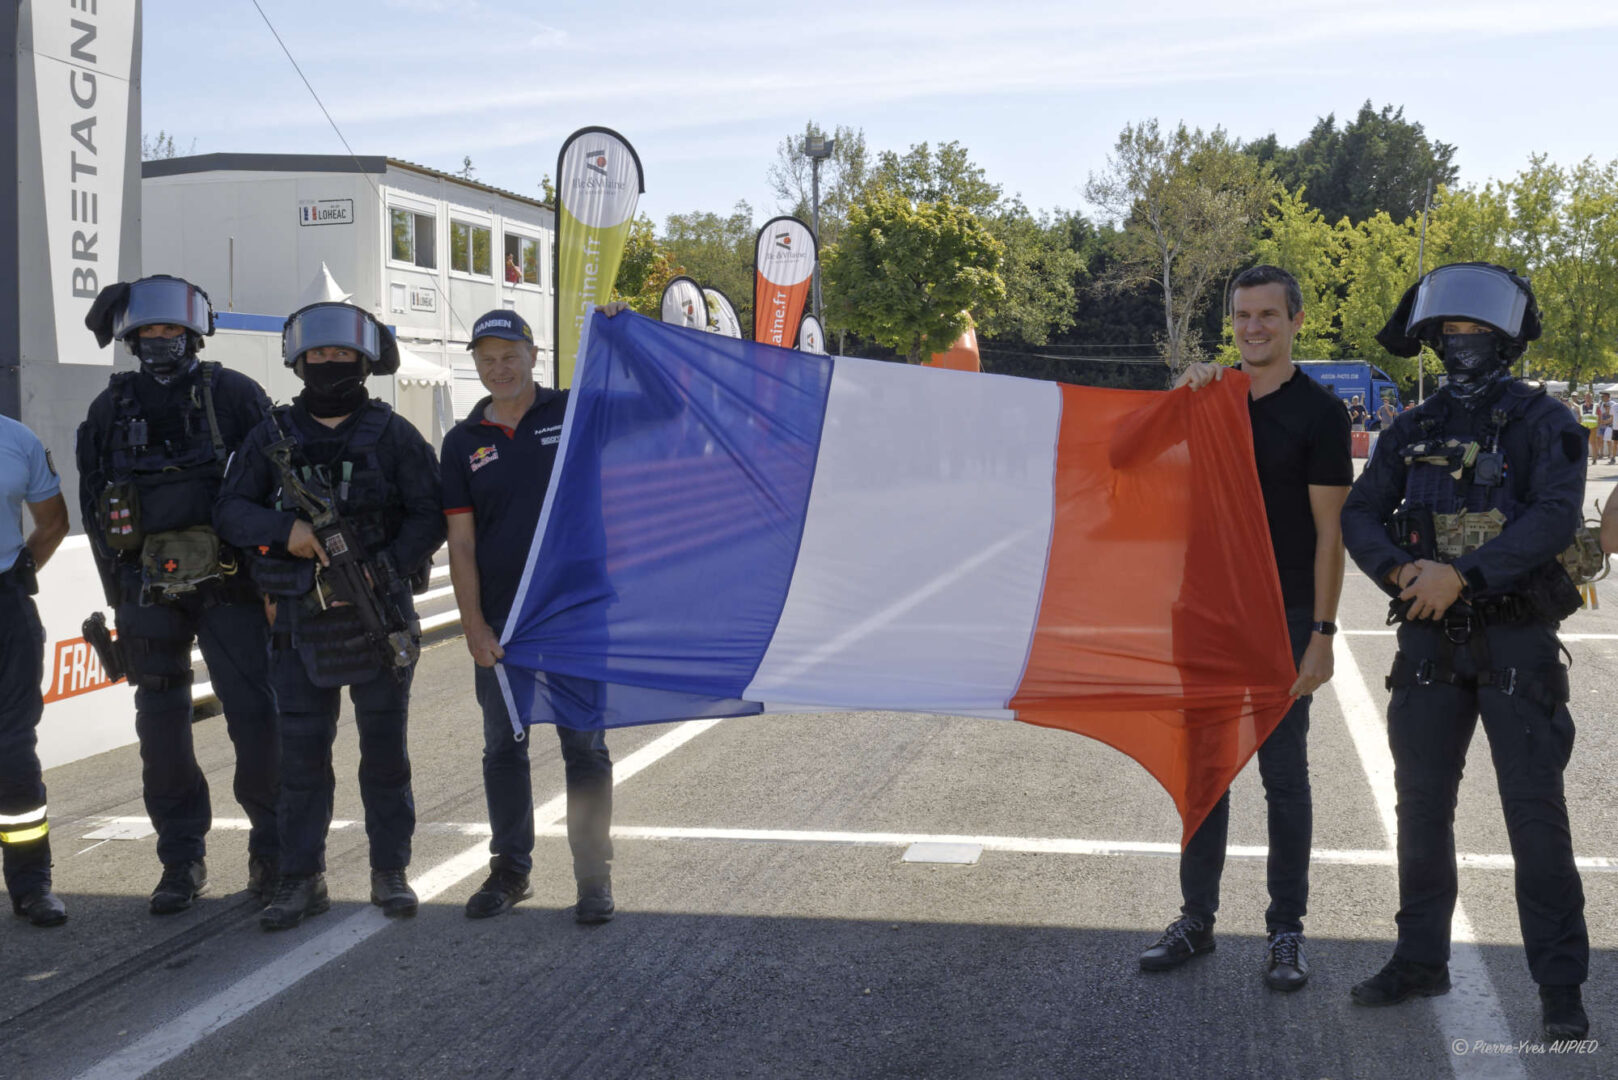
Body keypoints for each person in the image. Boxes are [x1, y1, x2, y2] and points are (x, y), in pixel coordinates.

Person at [1340, 262, 1590, 1042]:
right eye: (1451, 330)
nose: (1463, 342)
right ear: (1433, 338)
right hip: (1425, 638)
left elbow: (1553, 520)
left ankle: (1558, 986)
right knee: (1420, 808)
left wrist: (1465, 575)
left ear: (1508, 339)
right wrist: (1401, 569)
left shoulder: (1544, 423)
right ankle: (1420, 959)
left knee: (1534, 815)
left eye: (1478, 330)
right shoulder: (1411, 428)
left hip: (1516, 635)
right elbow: (1360, 514)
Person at [1137, 265, 1351, 991]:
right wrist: (1177, 398)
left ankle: (1285, 931)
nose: (1252, 327)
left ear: (1294, 321)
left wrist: (1323, 632)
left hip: (1284, 615)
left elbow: (1331, 533)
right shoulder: (1209, 397)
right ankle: (1196, 921)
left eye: (1266, 314)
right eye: (1241, 316)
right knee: (1205, 772)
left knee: (1284, 777)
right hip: (1204, 609)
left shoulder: (1321, 413)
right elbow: (1121, 456)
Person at [215, 302, 445, 931]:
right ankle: (300, 878)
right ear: (298, 361)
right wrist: (283, 529)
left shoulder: (394, 435)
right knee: (301, 761)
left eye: (342, 355)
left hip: (379, 619)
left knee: (385, 756)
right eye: (318, 355)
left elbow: (430, 514)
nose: (329, 364)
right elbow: (231, 513)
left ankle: (389, 871)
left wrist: (384, 571)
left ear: (365, 363)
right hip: (298, 625)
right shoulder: (271, 437)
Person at [77, 275, 281, 914]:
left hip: (232, 587)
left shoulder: (236, 395)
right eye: (148, 332)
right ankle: (180, 861)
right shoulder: (109, 411)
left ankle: (272, 854)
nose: (160, 341)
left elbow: (276, 484)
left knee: (255, 719)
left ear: (193, 334)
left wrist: (273, 583)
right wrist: (119, 595)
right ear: (131, 338)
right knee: (160, 731)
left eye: (170, 330)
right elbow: (94, 508)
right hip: (147, 589)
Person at [440, 309, 615, 924]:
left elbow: (660, 405)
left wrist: (623, 332)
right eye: (486, 358)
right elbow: (461, 545)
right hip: (503, 626)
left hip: (576, 613)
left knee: (584, 749)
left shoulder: (574, 411)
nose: (499, 368)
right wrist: (474, 625)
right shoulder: (463, 441)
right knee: (502, 752)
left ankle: (594, 878)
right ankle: (511, 872)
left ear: (535, 354)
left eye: (510, 354)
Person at [1, 417, 70, 926]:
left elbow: (53, 522)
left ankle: (31, 888)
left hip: (5, 605)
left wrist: (20, 574)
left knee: (13, 748)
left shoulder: (17, 439)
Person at [1598, 391, 1614, 465]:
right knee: (1600, 439)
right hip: (1602, 423)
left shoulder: (1612, 403)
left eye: (1603, 396)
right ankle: (1601, 454)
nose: (1602, 398)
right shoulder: (1601, 403)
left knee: (1608, 440)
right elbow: (1600, 412)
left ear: (1607, 396)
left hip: (1609, 424)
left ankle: (1610, 454)